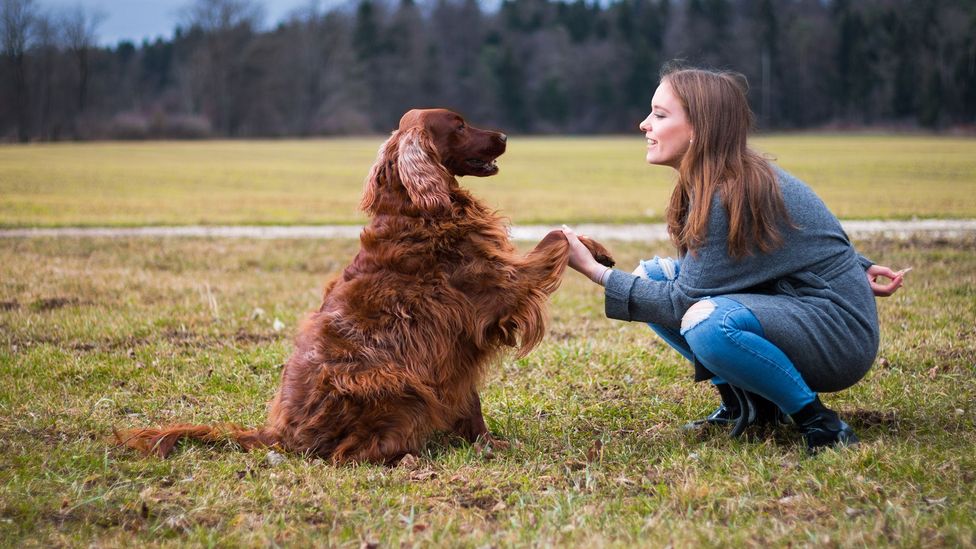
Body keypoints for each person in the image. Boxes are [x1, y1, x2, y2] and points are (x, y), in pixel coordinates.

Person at [561, 65, 906, 452]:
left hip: (838, 338)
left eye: (659, 114)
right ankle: (749, 404)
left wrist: (594, 272)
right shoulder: (723, 179)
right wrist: (860, 265)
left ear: (699, 128)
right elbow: (790, 239)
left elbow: (683, 302)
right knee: (652, 274)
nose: (644, 124)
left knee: (706, 321)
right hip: (797, 307)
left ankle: (820, 423)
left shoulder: (730, 191)